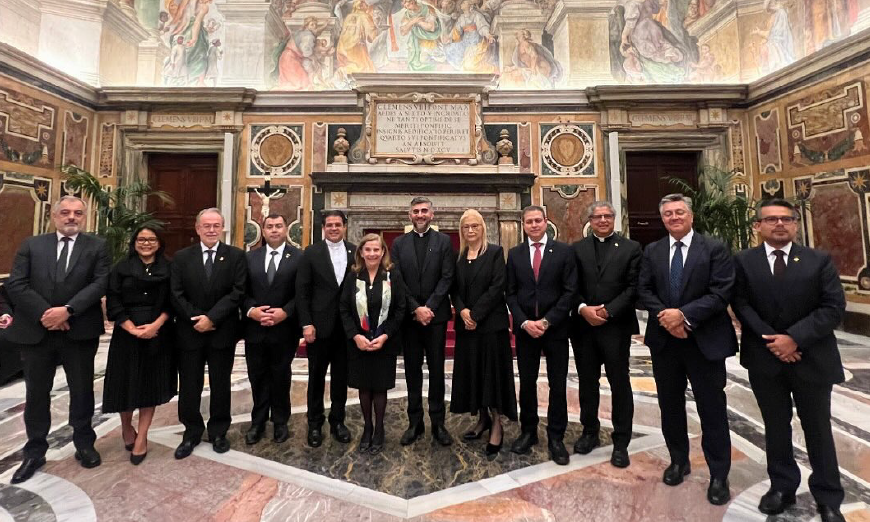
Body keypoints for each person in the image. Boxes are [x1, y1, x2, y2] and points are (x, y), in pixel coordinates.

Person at [733, 199, 847, 522]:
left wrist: (794, 338)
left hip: (811, 358)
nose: (779, 224)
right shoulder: (744, 262)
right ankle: (782, 487)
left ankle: (828, 496)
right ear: (758, 227)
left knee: (818, 428)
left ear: (796, 224)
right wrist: (773, 340)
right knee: (776, 427)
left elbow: (833, 307)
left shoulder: (818, 260)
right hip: (765, 359)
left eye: (786, 219)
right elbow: (740, 303)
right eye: (770, 220)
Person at [637, 193, 737, 506]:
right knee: (670, 405)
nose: (674, 217)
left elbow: (721, 292)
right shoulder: (652, 250)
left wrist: (685, 316)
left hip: (704, 341)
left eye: (679, 212)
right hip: (666, 342)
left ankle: (719, 474)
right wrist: (667, 317)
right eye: (668, 214)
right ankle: (678, 461)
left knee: (712, 408)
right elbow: (643, 290)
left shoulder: (715, 248)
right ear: (662, 218)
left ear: (690, 216)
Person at [5, 196, 110, 483]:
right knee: (37, 394)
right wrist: (45, 314)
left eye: (78, 213)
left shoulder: (97, 247)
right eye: (65, 212)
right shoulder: (32, 245)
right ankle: (35, 451)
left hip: (78, 331)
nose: (71, 217)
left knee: (81, 391)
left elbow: (100, 283)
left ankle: (84, 444)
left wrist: (68, 311)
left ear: (84, 217)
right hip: (36, 333)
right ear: (54, 216)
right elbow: (16, 283)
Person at [569, 201, 641, 468]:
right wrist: (583, 308)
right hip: (583, 326)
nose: (602, 220)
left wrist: (608, 311)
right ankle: (590, 432)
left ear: (614, 219)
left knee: (619, 382)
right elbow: (569, 285)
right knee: (588, 382)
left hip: (616, 326)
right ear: (589, 220)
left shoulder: (632, 248)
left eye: (607, 216)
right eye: (597, 216)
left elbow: (634, 287)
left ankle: (621, 440)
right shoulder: (576, 249)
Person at [170, 208, 247, 459]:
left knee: (220, 383)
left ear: (222, 227)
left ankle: (218, 432)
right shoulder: (182, 258)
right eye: (207, 226)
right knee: (189, 384)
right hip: (190, 331)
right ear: (197, 228)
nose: (212, 230)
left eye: (216, 225)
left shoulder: (235, 256)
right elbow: (176, 293)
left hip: (221, 331)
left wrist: (212, 317)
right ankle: (191, 431)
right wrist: (197, 318)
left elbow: (238, 291)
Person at [505, 205, 577, 465]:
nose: (534, 225)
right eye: (529, 222)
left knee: (558, 384)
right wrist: (523, 322)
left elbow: (570, 292)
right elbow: (510, 293)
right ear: (523, 225)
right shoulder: (515, 254)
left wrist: (547, 321)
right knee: (527, 383)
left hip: (555, 329)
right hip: (526, 331)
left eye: (538, 220)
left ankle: (556, 437)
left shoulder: (564, 252)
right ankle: (528, 432)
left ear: (546, 222)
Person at [102, 226, 176, 465]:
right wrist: (131, 328)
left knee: (149, 386)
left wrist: (156, 325)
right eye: (141, 239)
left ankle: (142, 436)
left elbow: (173, 301)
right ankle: (126, 426)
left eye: (152, 239)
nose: (146, 243)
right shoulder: (120, 268)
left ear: (160, 243)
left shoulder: (170, 268)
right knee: (126, 384)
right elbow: (113, 300)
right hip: (126, 333)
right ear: (134, 242)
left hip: (159, 333)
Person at [450, 210, 517, 460]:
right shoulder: (459, 258)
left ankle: (497, 425)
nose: (470, 231)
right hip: (467, 329)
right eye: (466, 227)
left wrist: (475, 314)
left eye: (475, 226)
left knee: (493, 376)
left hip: (490, 326)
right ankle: (482, 419)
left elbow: (497, 286)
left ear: (482, 228)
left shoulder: (495, 253)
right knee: (474, 375)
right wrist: (463, 311)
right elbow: (453, 289)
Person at [391, 197, 456, 446]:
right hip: (409, 319)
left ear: (432, 214)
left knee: (437, 371)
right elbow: (397, 279)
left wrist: (429, 307)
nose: (420, 215)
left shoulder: (444, 241)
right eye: (416, 211)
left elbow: (447, 276)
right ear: (409, 215)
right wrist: (415, 308)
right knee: (412, 372)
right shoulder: (399, 244)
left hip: (436, 318)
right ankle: (414, 422)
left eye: (424, 211)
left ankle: (438, 424)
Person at [339, 234, 406, 454]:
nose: (372, 254)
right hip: (358, 342)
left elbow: (400, 309)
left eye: (376, 250)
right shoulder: (353, 276)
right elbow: (344, 309)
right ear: (361, 252)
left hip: (383, 341)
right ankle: (367, 427)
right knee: (364, 387)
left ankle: (379, 430)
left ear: (383, 252)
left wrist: (385, 335)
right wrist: (355, 336)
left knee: (379, 387)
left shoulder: (392, 275)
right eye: (367, 250)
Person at [296, 210, 356, 447]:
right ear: (323, 227)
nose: (334, 228)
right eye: (329, 225)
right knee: (316, 378)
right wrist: (306, 323)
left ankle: (338, 421)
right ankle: (314, 424)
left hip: (346, 329)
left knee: (341, 378)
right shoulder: (311, 253)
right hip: (318, 328)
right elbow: (302, 291)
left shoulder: (355, 251)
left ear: (344, 226)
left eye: (338, 224)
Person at [241, 214, 302, 445]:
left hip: (284, 329)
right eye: (270, 226)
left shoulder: (298, 257)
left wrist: (285, 312)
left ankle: (280, 421)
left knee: (280, 375)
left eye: (279, 226)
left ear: (286, 229)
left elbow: (302, 292)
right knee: (257, 376)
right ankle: (257, 422)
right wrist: (252, 311)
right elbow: (240, 291)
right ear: (263, 231)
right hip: (255, 328)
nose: (274, 230)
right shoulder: (249, 258)